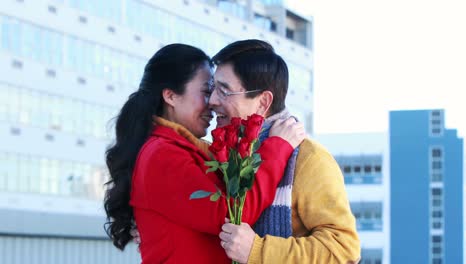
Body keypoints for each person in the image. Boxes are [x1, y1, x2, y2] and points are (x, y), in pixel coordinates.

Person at [103, 43, 306, 263]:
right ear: (171, 96)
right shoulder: (161, 155)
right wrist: (278, 147)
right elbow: (231, 218)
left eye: (220, 91)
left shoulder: (186, 150)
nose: (212, 102)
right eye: (207, 91)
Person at [208, 39, 361, 263]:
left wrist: (257, 250)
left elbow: (344, 250)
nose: (212, 101)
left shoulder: (308, 158)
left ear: (263, 102)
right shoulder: (223, 155)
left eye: (224, 91)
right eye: (213, 89)